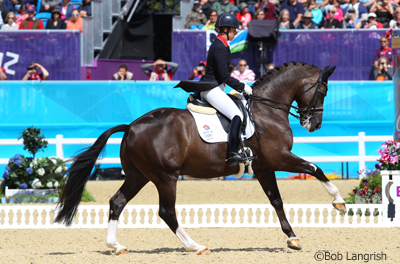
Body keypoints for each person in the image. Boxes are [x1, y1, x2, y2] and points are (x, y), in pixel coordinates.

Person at [199, 13, 253, 165]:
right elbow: (224, 76)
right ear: (226, 29)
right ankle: (232, 153)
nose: (235, 33)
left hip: (215, 88)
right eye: (234, 30)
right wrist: (242, 86)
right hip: (213, 89)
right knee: (237, 114)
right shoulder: (220, 47)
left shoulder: (221, 44)